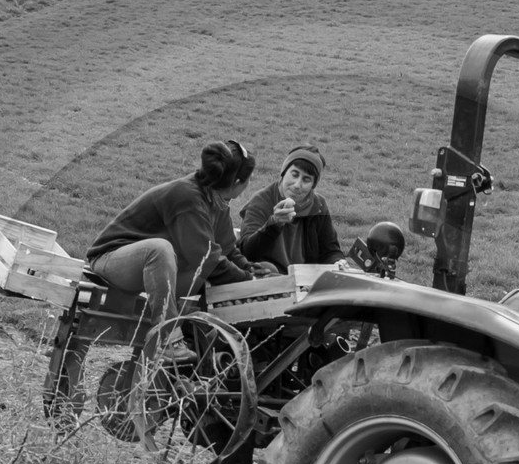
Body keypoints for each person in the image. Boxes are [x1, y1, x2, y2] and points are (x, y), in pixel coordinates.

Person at [85, 139, 275, 341]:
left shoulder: (217, 201)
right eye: (248, 180)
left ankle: (202, 339)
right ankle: (168, 337)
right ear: (237, 182)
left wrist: (252, 271)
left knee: (229, 272)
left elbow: (227, 251)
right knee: (160, 250)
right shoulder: (187, 197)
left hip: (155, 270)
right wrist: (248, 281)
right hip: (112, 259)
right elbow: (207, 258)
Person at [238, 144, 343, 272]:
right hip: (268, 277)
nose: (297, 185)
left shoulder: (318, 206)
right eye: (294, 174)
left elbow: (330, 250)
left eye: (306, 179)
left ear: (313, 185)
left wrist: (338, 262)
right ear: (284, 172)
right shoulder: (261, 201)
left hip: (305, 280)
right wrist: (274, 224)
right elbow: (248, 252)